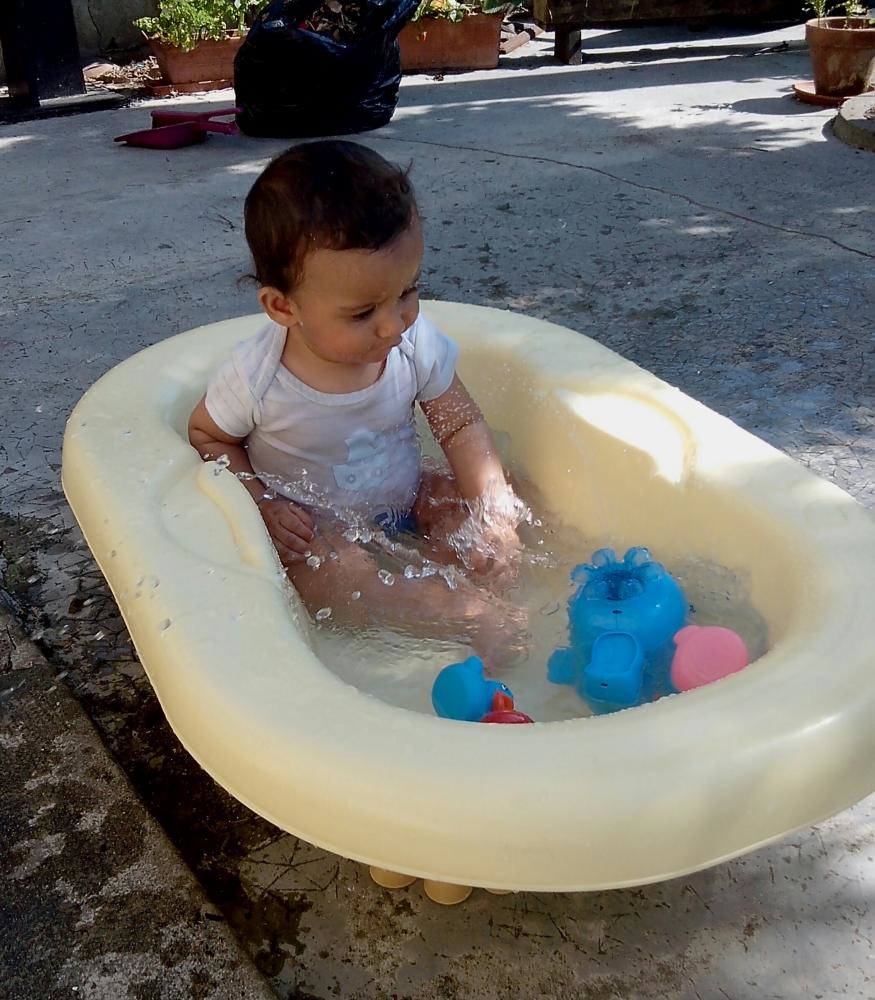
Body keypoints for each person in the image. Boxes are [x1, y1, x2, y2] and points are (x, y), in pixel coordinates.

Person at [187, 140, 525, 663]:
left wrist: (493, 512)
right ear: (283, 307)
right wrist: (262, 502)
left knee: (491, 501)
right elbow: (208, 435)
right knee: (339, 579)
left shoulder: (413, 343)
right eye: (363, 313)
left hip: (406, 497)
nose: (394, 324)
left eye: (408, 291)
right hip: (318, 527)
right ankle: (461, 616)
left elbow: (460, 426)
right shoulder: (257, 377)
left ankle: (482, 588)